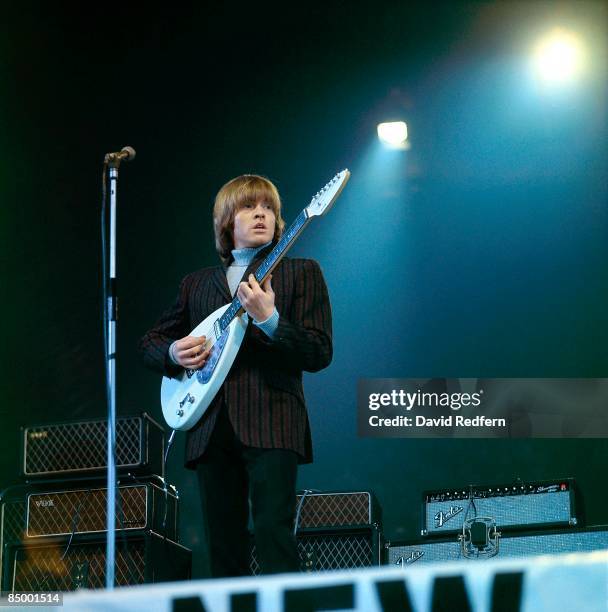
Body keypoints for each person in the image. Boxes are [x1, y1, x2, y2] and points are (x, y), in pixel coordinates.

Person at [139, 174, 332, 577]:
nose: (260, 213)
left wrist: (271, 320)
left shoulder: (301, 271)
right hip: (210, 427)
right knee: (223, 546)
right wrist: (174, 350)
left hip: (273, 420)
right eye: (248, 207)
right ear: (227, 222)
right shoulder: (196, 285)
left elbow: (319, 351)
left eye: (268, 208)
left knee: (274, 535)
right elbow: (150, 343)